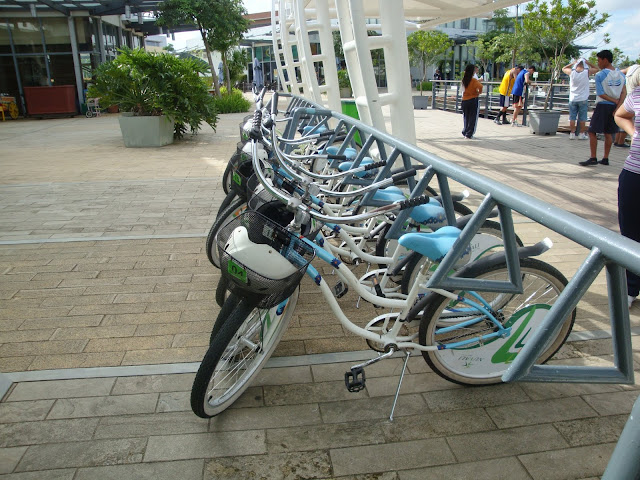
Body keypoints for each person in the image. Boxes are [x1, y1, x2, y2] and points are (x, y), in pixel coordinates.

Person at [613, 70, 640, 307]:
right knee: (630, 232)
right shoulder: (638, 94)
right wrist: (634, 133)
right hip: (634, 173)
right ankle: (630, 287)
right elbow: (620, 114)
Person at [579, 50, 626, 167]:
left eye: (599, 60)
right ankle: (605, 158)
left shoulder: (600, 75)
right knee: (608, 132)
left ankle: (593, 157)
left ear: (605, 60)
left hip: (603, 105)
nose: (598, 63)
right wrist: (618, 105)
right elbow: (624, 92)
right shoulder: (621, 75)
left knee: (592, 131)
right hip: (615, 107)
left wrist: (614, 101)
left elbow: (600, 93)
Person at [562, 58, 596, 140]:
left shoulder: (572, 72)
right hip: (583, 98)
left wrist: (572, 63)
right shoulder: (587, 72)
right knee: (583, 118)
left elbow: (563, 68)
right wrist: (588, 62)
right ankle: (581, 133)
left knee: (572, 117)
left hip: (573, 98)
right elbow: (597, 69)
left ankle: (572, 133)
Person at [614, 64, 640, 148]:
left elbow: (620, 72)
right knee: (631, 122)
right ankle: (621, 142)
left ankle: (617, 141)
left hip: (629, 99)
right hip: (634, 101)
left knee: (625, 123)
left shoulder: (632, 68)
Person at [461, 63, 483, 139]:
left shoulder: (464, 80)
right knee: (472, 117)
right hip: (473, 99)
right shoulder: (473, 80)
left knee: (466, 116)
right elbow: (480, 86)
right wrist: (478, 92)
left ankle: (465, 131)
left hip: (464, 100)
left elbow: (462, 90)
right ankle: (469, 133)